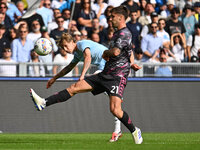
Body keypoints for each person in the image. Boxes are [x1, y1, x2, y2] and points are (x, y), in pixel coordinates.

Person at [29, 6, 143, 144]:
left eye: (112, 16)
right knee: (74, 88)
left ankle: (133, 130)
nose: (110, 19)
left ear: (120, 17)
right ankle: (43, 103)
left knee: (115, 109)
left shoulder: (87, 42)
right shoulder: (116, 34)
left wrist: (86, 71)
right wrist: (54, 78)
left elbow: (108, 54)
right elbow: (69, 67)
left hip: (116, 76)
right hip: (105, 72)